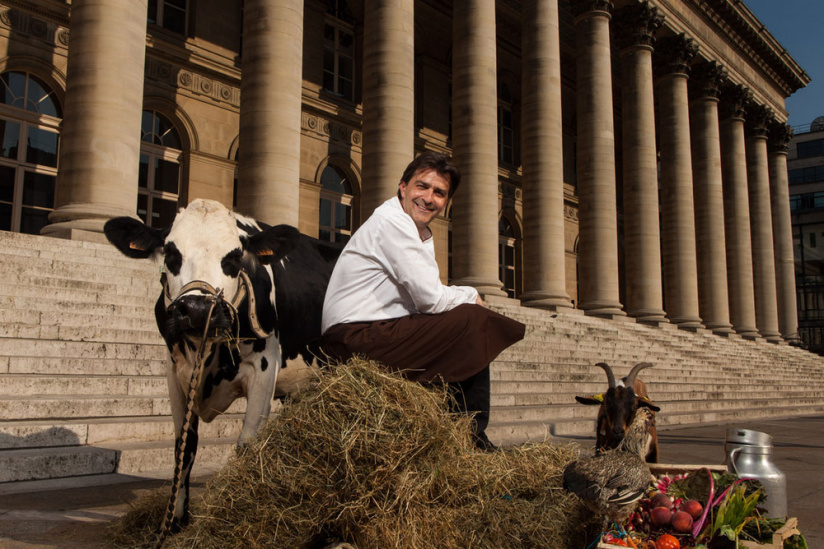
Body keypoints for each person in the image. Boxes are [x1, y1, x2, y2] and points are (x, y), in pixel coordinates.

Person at [320, 151, 526, 451]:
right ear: (403, 187)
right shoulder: (393, 222)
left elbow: (424, 301)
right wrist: (471, 295)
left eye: (440, 193)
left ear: (446, 202)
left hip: (370, 334)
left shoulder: (413, 229)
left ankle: (457, 429)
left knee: (462, 326)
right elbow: (430, 299)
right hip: (353, 340)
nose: (429, 198)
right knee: (474, 320)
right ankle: (473, 437)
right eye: (422, 186)